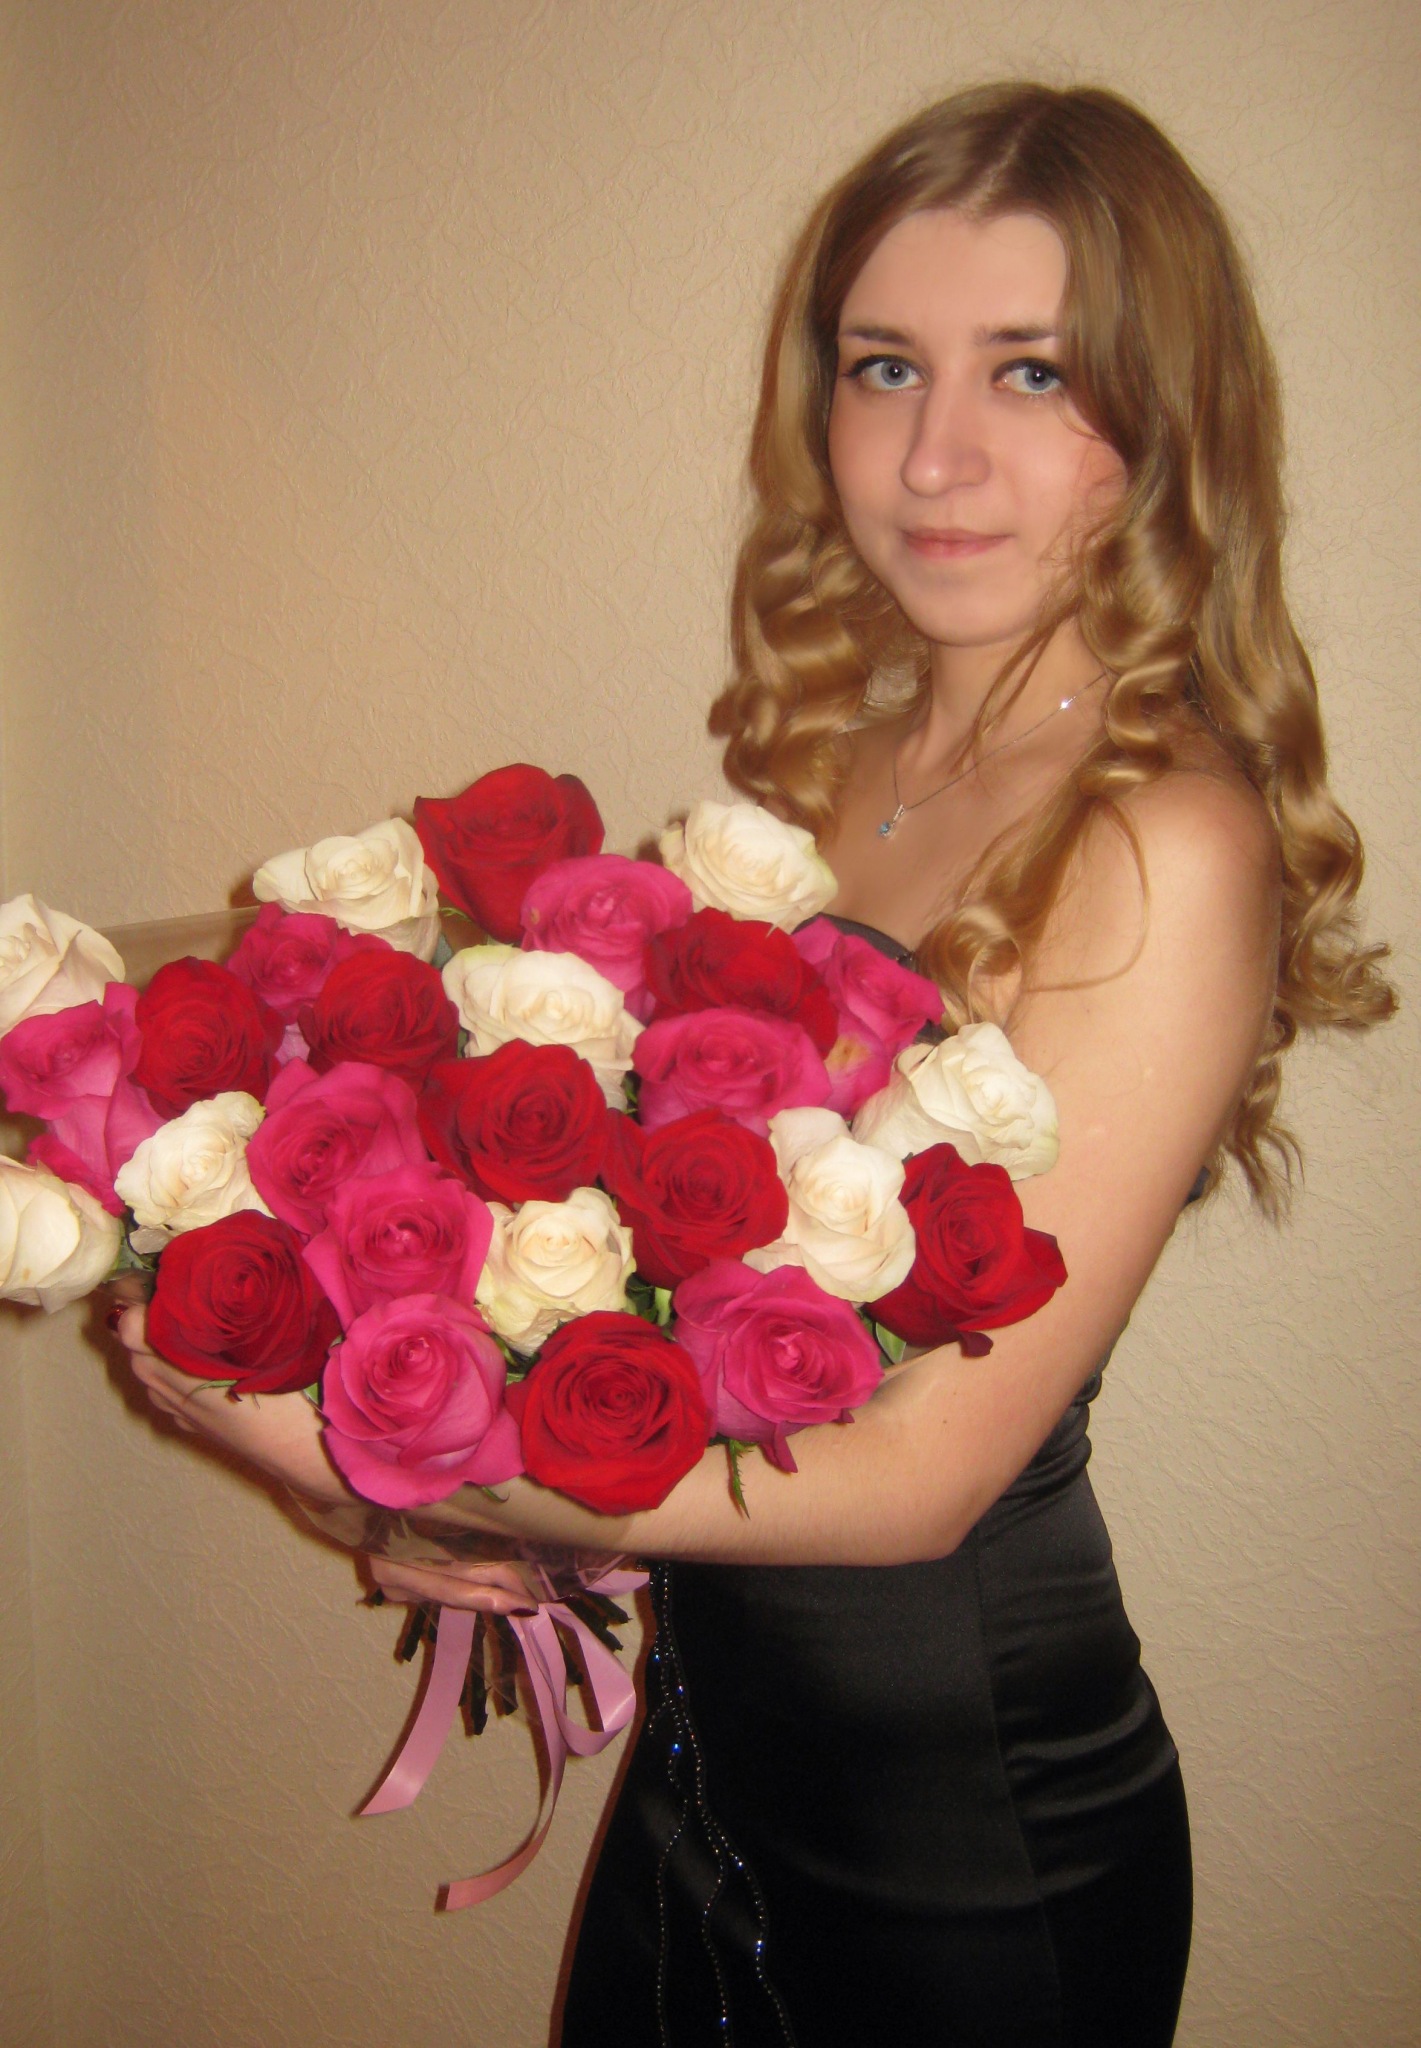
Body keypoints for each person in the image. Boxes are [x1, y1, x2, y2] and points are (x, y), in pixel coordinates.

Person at [122, 81, 1394, 2048]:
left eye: (1032, 372)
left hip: (965, 1852)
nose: (936, 454)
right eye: (885, 367)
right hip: (711, 1769)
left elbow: (918, 1479)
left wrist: (389, 1452)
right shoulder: (842, 769)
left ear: (1168, 417)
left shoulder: (1165, 838)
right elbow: (703, 1316)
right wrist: (452, 1420)